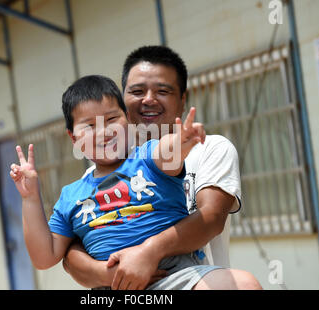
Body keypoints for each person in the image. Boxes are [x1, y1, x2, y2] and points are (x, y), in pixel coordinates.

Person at [62, 45, 262, 290]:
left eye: (162, 90)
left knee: (244, 286)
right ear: (123, 102)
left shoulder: (211, 148)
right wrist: (105, 274)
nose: (148, 99)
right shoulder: (96, 175)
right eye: (137, 91)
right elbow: (70, 249)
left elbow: (211, 218)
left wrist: (149, 252)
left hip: (191, 281)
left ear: (182, 99)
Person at [10, 74, 221, 290]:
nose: (104, 132)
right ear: (73, 138)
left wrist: (181, 141)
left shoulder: (147, 160)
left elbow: (167, 151)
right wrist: (30, 198)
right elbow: (44, 258)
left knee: (243, 284)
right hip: (111, 286)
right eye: (90, 126)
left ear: (128, 119)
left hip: (175, 276)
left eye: (111, 119)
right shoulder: (71, 196)